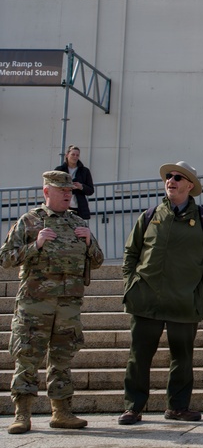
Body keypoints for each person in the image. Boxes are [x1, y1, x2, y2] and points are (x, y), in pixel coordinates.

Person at [118, 161, 203, 426]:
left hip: (184, 301)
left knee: (182, 357)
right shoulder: (150, 215)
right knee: (139, 356)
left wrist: (200, 291)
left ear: (189, 185)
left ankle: (177, 407)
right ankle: (133, 407)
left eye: (178, 177)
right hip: (147, 299)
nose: (171, 180)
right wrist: (132, 283)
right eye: (168, 176)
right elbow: (131, 253)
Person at [1, 171, 104, 434]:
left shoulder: (77, 222)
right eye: (62, 190)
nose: (68, 194)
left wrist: (90, 241)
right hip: (35, 304)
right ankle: (22, 414)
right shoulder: (30, 220)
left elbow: (98, 259)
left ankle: (62, 412)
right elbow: (5, 258)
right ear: (47, 192)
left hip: (68, 305)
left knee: (62, 359)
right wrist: (35, 245)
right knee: (27, 357)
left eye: (70, 190)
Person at [55, 144, 95, 220]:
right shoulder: (59, 170)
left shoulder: (84, 171)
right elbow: (54, 187)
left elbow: (90, 190)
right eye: (73, 154)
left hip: (78, 208)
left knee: (79, 230)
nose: (75, 157)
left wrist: (81, 187)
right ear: (67, 155)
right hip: (63, 207)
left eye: (77, 155)